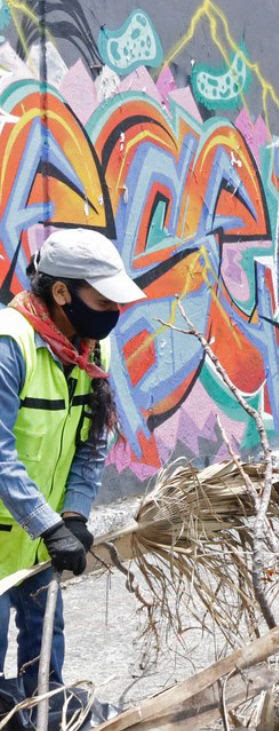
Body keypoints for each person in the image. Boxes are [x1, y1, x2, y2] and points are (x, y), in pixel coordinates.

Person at [0, 229, 144, 700]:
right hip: (9, 535)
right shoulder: (10, 344)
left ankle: (46, 711)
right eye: (103, 302)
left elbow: (93, 442)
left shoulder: (90, 349)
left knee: (44, 654)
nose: (113, 314)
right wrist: (48, 525)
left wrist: (75, 514)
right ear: (61, 292)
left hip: (41, 536)